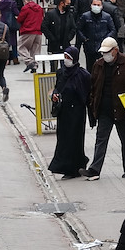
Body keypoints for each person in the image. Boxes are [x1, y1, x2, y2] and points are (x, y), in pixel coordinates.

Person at [79, 38, 125, 181]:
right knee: (101, 139)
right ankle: (94, 170)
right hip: (104, 109)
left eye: (107, 52)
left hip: (122, 108)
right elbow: (93, 86)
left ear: (115, 50)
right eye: (103, 53)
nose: (104, 55)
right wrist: (92, 103)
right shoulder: (99, 64)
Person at [48, 46, 90, 180]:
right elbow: (57, 88)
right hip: (64, 112)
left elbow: (87, 94)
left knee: (75, 140)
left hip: (77, 113)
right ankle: (64, 167)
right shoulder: (61, 72)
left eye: (69, 57)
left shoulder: (83, 75)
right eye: (65, 57)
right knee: (63, 140)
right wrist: (55, 95)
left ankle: (75, 168)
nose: (66, 60)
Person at [77, 0, 116, 73]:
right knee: (90, 68)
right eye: (94, 4)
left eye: (98, 5)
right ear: (91, 5)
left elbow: (113, 30)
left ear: (102, 6)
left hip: (102, 47)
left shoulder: (107, 17)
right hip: (89, 46)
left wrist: (106, 40)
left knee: (103, 68)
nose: (96, 6)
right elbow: (79, 29)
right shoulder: (85, 16)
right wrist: (84, 39)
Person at [42, 0, 76, 71]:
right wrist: (51, 38)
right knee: (53, 67)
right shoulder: (50, 14)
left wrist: (69, 38)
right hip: (54, 45)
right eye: (67, 4)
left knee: (65, 66)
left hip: (65, 44)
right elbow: (44, 27)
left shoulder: (69, 15)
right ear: (61, 3)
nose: (69, 6)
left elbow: (73, 28)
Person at [16, 0, 44, 73]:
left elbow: (20, 19)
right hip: (38, 31)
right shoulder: (39, 8)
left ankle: (30, 62)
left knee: (21, 46)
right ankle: (34, 66)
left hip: (28, 30)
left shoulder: (26, 8)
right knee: (35, 50)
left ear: (25, 1)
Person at [0, 0, 20, 64]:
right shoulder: (12, 3)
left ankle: (6, 59)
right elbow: (16, 13)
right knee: (13, 42)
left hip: (2, 24)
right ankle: (15, 58)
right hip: (11, 24)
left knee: (4, 41)